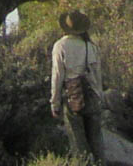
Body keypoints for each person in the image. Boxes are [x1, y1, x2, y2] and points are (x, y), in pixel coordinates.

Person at [50, 9, 106, 165]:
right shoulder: (91, 46)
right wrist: (99, 96)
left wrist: (54, 103)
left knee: (78, 145)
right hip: (92, 97)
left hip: (73, 97)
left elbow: (57, 77)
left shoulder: (60, 46)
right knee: (97, 144)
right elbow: (97, 76)